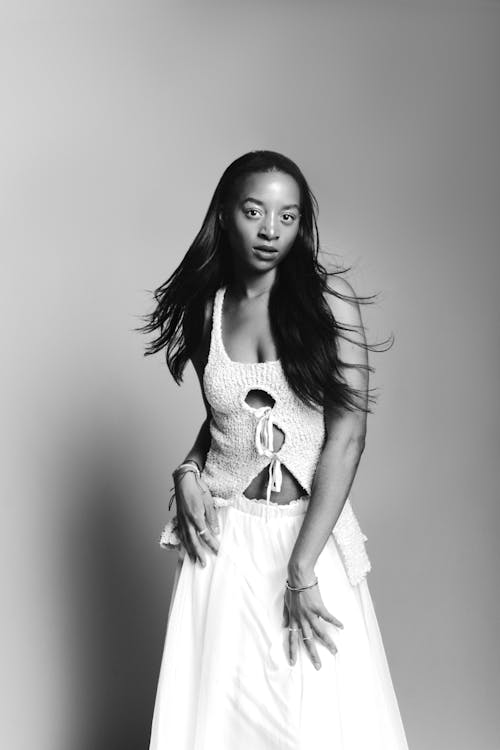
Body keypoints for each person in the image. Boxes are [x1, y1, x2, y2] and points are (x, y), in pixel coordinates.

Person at [139, 150, 409, 749]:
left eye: (288, 217)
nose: (270, 230)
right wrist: (185, 471)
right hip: (224, 542)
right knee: (225, 720)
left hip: (306, 536)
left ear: (302, 224)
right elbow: (225, 422)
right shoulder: (206, 309)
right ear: (226, 216)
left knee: (312, 718)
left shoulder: (328, 300)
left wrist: (302, 567)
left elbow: (348, 435)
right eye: (255, 212)